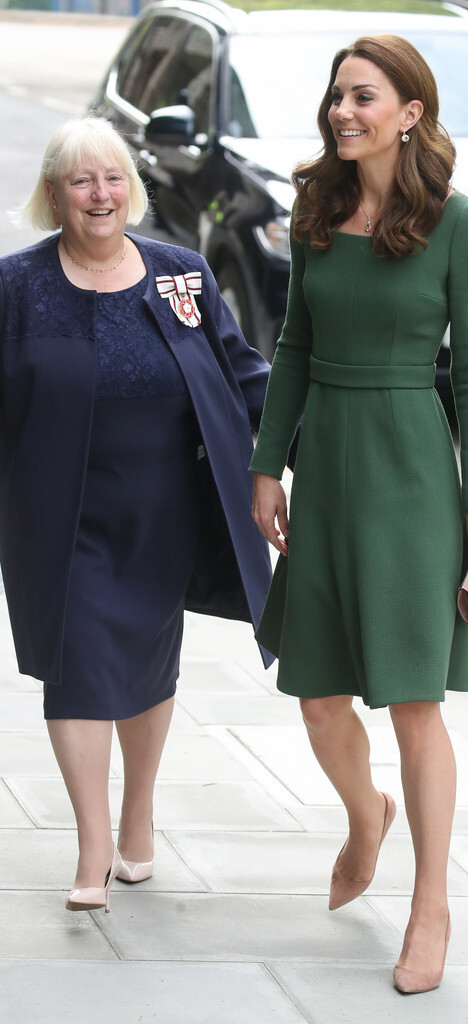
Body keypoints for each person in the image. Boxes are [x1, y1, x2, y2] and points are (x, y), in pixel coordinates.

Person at [250, 34, 468, 995]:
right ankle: (368, 816)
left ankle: (429, 905)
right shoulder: (316, 209)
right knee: (318, 697)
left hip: (409, 473)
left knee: (413, 702)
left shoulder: (458, 221)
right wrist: (266, 466)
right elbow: (292, 345)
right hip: (326, 464)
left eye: (363, 97)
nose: (343, 112)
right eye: (337, 96)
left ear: (410, 113)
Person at [0, 116, 273, 913]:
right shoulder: (16, 286)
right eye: (81, 180)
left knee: (151, 668)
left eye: (113, 177)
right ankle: (92, 845)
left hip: (164, 511)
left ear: (133, 189)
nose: (100, 194)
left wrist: (304, 450)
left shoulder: (180, 275)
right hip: (62, 514)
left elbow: (243, 374)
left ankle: (139, 811)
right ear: (54, 195)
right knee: (77, 665)